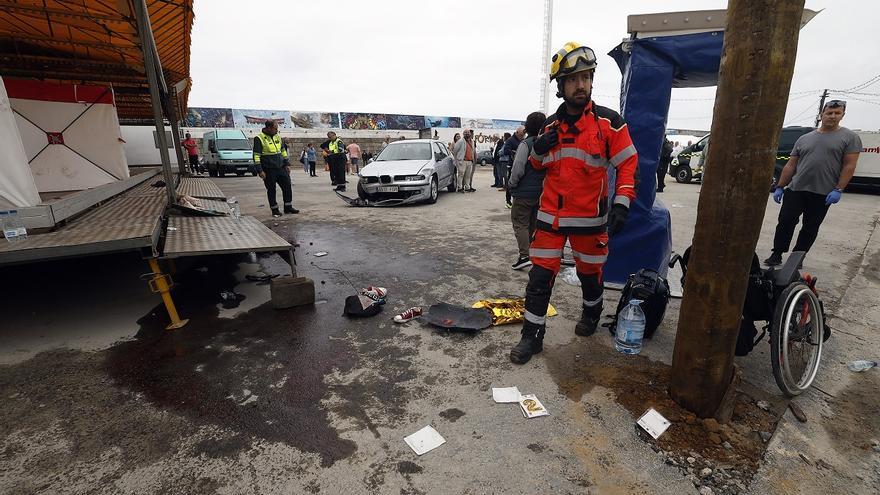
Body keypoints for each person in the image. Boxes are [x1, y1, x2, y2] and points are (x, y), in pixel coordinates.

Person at [509, 41, 638, 364]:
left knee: (590, 276)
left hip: (590, 221)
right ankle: (531, 337)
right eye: (572, 79)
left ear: (592, 80)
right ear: (561, 86)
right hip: (550, 219)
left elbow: (628, 164)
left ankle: (592, 313)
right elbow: (538, 165)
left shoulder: (610, 124)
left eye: (585, 78)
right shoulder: (550, 127)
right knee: (539, 279)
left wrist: (622, 202)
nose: (580, 85)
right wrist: (539, 147)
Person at [765, 100, 861, 266]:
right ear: (821, 115)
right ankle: (777, 253)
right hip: (796, 189)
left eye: (837, 113)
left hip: (822, 192)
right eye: (829, 113)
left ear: (842, 115)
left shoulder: (850, 138)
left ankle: (797, 258)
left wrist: (839, 189)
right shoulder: (804, 139)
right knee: (786, 221)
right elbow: (791, 165)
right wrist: (780, 186)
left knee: (810, 227)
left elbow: (849, 165)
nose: (832, 116)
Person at [508, 112, 546, 270]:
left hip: (524, 192)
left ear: (527, 127)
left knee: (520, 223)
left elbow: (518, 168)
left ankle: (524, 256)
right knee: (533, 225)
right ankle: (534, 254)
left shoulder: (526, 144)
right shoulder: (548, 143)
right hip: (542, 192)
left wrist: (511, 184)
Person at [253, 120, 298, 217]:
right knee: (271, 189)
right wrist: (260, 170)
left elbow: (283, 151)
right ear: (269, 128)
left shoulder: (277, 137)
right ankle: (275, 209)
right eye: (275, 128)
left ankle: (288, 207)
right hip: (268, 169)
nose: (277, 131)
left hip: (281, 167)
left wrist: (287, 164)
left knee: (287, 186)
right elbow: (256, 156)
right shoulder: (259, 138)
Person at [503, 126, 525, 206]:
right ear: (517, 133)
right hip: (512, 164)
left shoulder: (523, 140)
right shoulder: (510, 140)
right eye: (521, 135)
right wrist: (513, 152)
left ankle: (518, 199)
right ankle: (508, 201)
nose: (522, 137)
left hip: (521, 164)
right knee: (510, 182)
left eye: (523, 135)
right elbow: (505, 151)